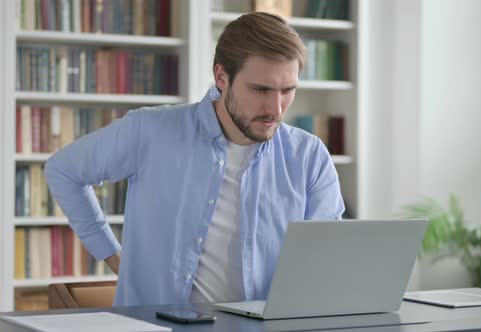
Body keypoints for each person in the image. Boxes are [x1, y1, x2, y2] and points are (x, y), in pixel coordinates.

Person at [45, 12, 345, 307]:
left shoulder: (309, 155)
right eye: (260, 89)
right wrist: (112, 254)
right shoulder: (149, 131)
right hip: (157, 327)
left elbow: (327, 259)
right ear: (221, 77)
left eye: (288, 90)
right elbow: (64, 170)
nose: (276, 109)